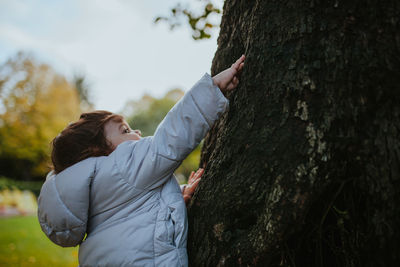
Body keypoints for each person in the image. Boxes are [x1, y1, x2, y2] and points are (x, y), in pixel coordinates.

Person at [37, 55, 245, 266]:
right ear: (97, 150)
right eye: (124, 130)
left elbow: (132, 217)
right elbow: (169, 140)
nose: (136, 131)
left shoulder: (92, 194)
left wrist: (173, 199)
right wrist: (212, 88)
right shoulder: (120, 165)